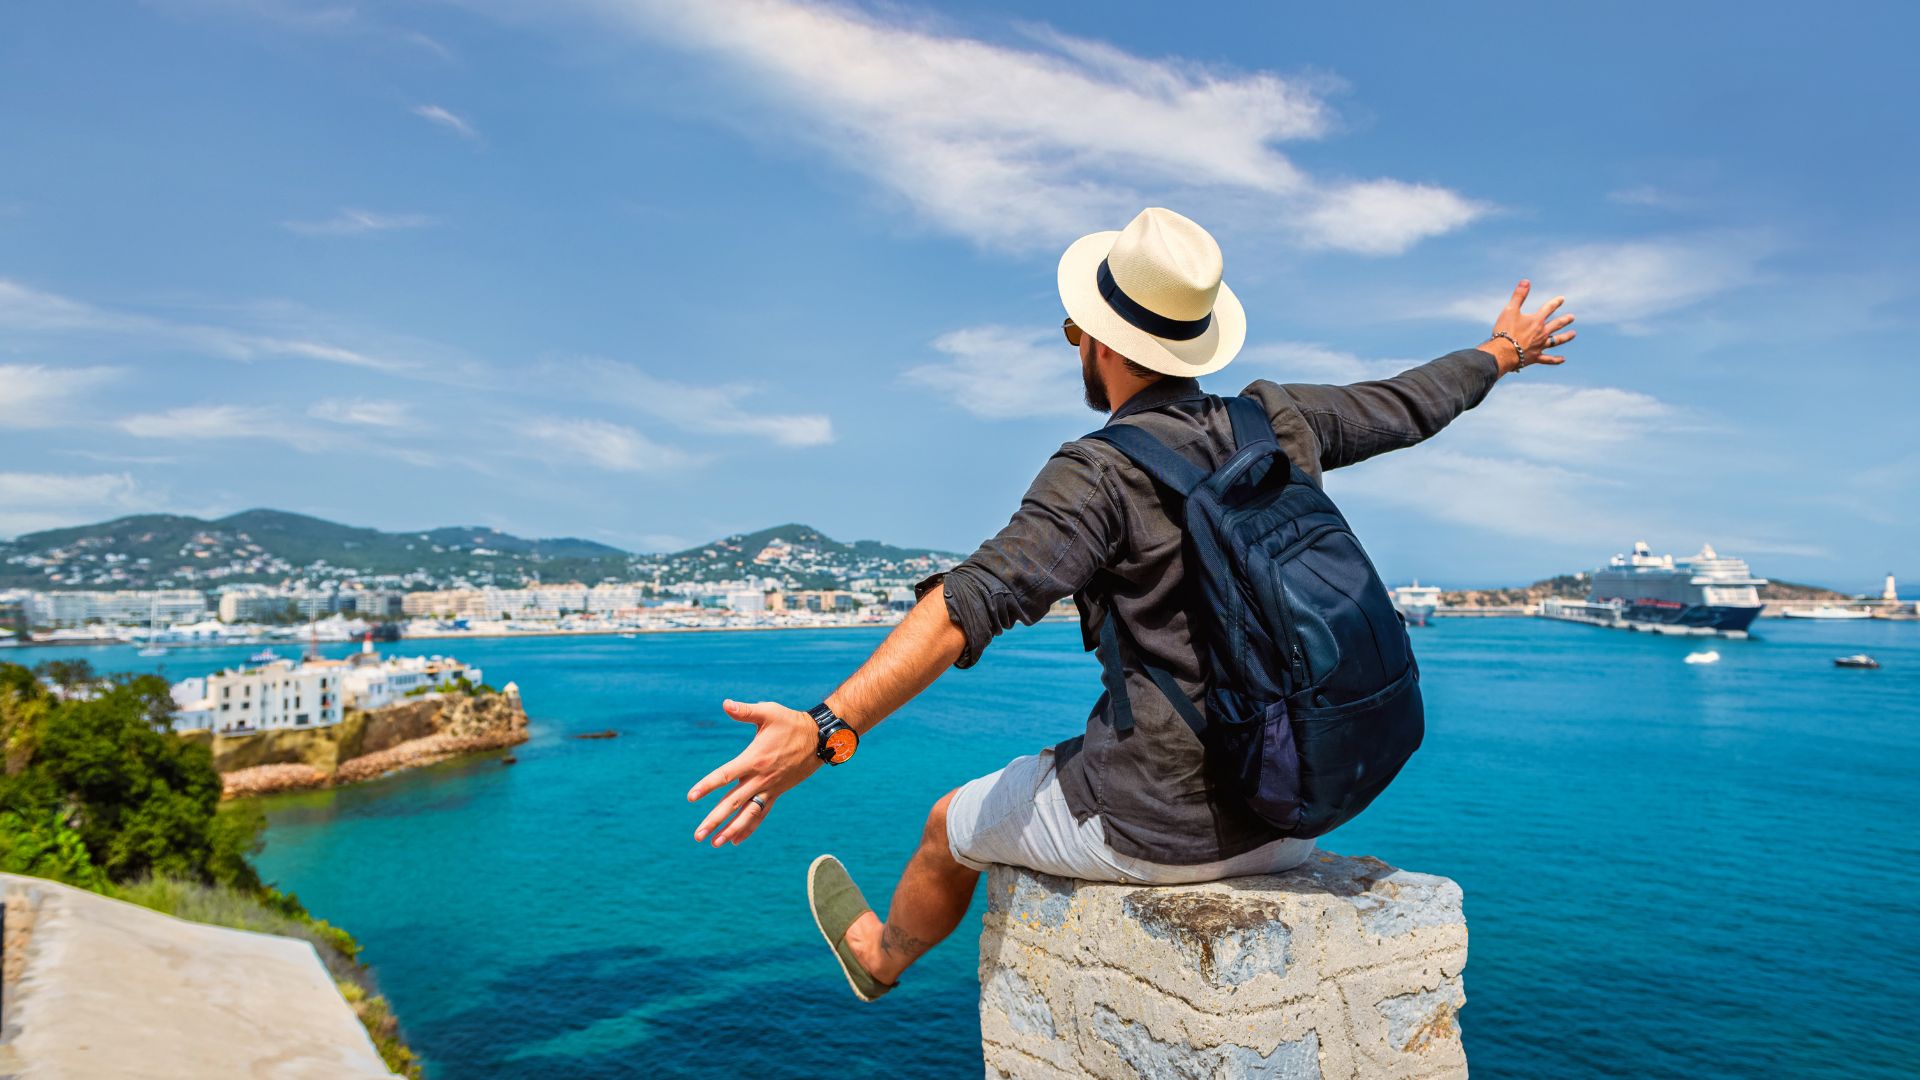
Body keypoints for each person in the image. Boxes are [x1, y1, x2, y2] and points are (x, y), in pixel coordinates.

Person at [687, 207, 1576, 1001]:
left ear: (1102, 345)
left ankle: (880, 958)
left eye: (1075, 330)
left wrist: (824, 729)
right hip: (1300, 807)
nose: (1075, 342)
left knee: (946, 828)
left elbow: (967, 603)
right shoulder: (1277, 420)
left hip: (1159, 828)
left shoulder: (1099, 472)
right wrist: (1502, 352)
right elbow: (1408, 404)